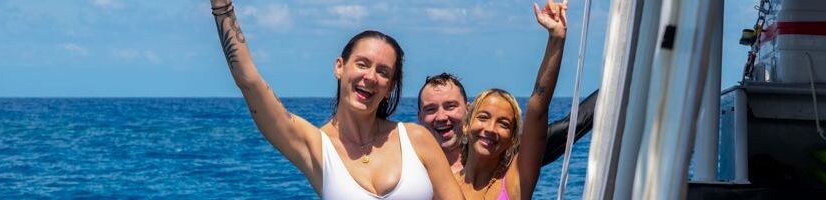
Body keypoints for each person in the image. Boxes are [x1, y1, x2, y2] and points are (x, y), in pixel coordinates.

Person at [207, 0, 463, 199]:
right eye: (362, 64)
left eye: (383, 72)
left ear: (390, 87)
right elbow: (250, 82)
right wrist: (221, 7)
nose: (371, 77)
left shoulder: (416, 139)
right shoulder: (316, 147)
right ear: (339, 67)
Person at [453, 0, 571, 199]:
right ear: (466, 124)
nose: (490, 129)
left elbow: (538, 108)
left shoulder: (515, 181)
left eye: (504, 124)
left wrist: (557, 37)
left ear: (513, 139)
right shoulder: (442, 181)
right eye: (483, 117)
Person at [417, 74, 597, 174]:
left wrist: (620, 86)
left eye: (450, 106)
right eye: (430, 109)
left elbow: (570, 126)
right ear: (419, 116)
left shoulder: (503, 152)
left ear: (468, 111)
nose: (441, 117)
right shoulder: (412, 169)